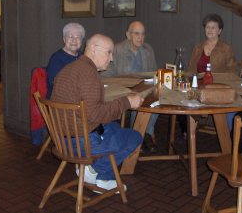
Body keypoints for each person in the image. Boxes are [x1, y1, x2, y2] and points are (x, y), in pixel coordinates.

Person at [51, 34, 143, 191]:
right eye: (109, 52)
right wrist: (127, 102)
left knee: (114, 128)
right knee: (134, 137)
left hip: (62, 137)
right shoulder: (89, 74)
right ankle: (97, 173)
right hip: (80, 143)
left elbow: (89, 108)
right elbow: (96, 114)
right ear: (93, 49)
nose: (112, 58)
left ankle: (95, 171)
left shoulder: (71, 68)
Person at [102, 21, 159, 153]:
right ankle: (142, 136)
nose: (141, 37)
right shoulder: (117, 49)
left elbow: (153, 72)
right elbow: (106, 74)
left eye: (143, 34)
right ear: (128, 35)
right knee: (139, 99)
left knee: (156, 99)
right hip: (121, 89)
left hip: (143, 88)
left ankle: (144, 134)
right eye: (137, 34)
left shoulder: (148, 50)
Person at [46, 22, 85, 99]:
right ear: (64, 39)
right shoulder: (56, 58)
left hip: (78, 98)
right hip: (60, 102)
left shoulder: (83, 57)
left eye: (78, 37)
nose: (74, 40)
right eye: (70, 37)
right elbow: (56, 84)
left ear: (82, 40)